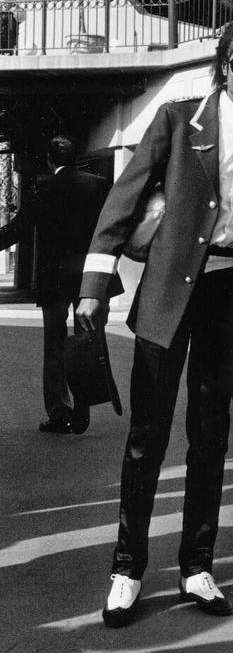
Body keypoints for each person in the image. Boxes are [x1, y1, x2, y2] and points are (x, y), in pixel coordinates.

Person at [76, 15, 233, 628]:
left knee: (210, 434)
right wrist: (93, 287)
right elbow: (123, 200)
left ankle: (198, 566)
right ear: (224, 66)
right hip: (170, 296)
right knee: (147, 436)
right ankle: (127, 569)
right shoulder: (176, 118)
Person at [0, 135, 111, 433]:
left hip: (55, 281)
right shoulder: (98, 185)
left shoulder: (42, 186)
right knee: (87, 342)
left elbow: (18, 229)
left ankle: (59, 412)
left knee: (55, 346)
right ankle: (83, 408)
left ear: (50, 160)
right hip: (90, 278)